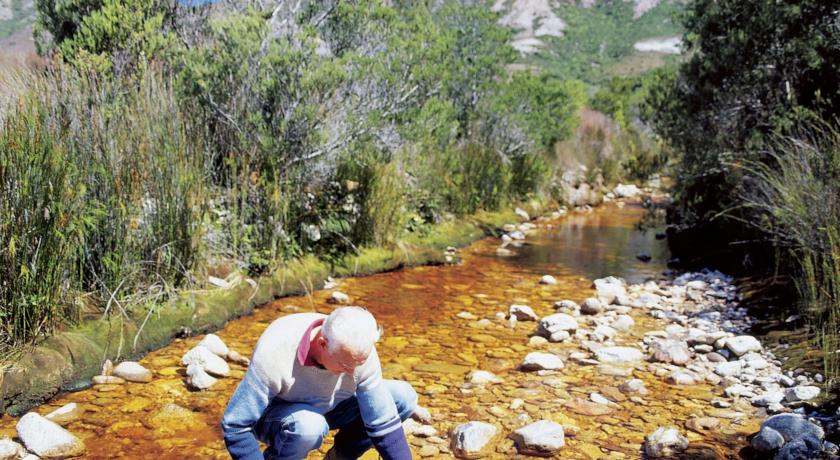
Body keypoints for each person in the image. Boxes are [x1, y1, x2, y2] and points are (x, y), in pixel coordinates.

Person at [221, 306, 416, 460]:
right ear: (322, 344)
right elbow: (235, 425)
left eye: (358, 364)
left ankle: (340, 457)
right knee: (309, 426)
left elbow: (383, 423)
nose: (352, 371)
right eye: (345, 364)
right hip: (277, 418)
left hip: (331, 408)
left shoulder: (356, 351)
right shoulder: (275, 350)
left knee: (402, 397)